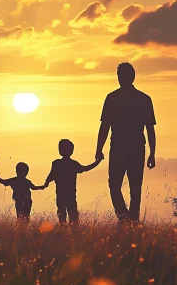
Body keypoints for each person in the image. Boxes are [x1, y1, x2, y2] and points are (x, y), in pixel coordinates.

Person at [95, 62, 156, 222]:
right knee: (126, 187)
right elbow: (105, 126)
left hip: (124, 149)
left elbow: (150, 128)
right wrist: (98, 148)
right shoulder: (139, 99)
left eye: (123, 76)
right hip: (128, 149)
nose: (121, 79)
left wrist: (152, 153)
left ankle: (128, 219)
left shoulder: (119, 98)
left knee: (127, 187)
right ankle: (127, 218)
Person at [44, 139, 100, 224]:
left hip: (62, 193)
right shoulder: (72, 164)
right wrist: (97, 162)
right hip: (68, 193)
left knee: (63, 212)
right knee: (71, 213)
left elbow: (52, 175)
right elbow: (85, 168)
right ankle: (72, 229)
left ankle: (65, 228)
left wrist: (46, 182)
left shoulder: (57, 163)